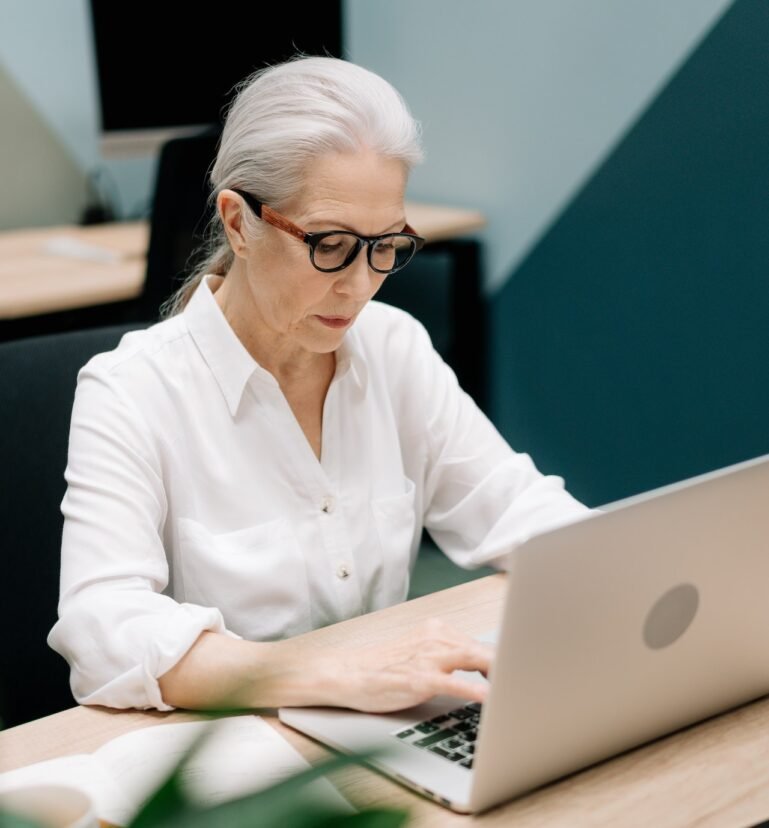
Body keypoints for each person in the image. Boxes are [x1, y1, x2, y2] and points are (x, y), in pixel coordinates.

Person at [48, 55, 590, 714]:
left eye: (385, 245)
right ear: (238, 222)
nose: (359, 285)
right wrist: (343, 677)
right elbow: (104, 626)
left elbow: (514, 508)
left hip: (381, 725)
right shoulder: (131, 391)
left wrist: (644, 576)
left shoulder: (393, 347)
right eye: (329, 244)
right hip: (229, 760)